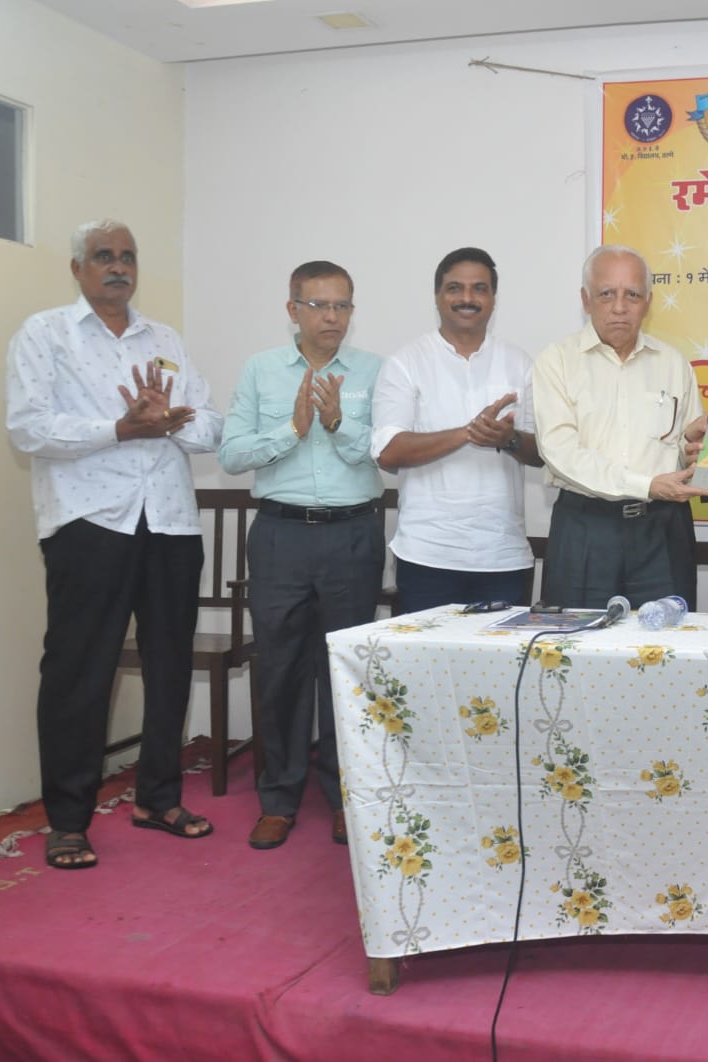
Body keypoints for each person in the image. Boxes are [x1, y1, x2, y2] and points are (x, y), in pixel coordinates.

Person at [6, 219, 223, 869]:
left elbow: (211, 426)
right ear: (78, 268)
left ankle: (158, 798)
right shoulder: (45, 333)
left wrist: (172, 422)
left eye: (127, 256)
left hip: (170, 523)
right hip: (90, 522)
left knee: (169, 666)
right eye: (104, 256)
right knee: (80, 673)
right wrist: (120, 428)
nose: (118, 266)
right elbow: (28, 428)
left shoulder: (166, 340)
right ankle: (69, 821)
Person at [218, 261, 384, 851]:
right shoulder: (261, 370)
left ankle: (345, 798)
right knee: (282, 668)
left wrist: (336, 424)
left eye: (342, 305)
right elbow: (232, 455)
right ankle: (279, 799)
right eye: (319, 305)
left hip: (352, 534)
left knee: (345, 671)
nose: (332, 317)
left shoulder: (374, 371)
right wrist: (292, 430)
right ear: (293, 309)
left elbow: (385, 454)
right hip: (281, 536)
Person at [533, 245, 708, 609]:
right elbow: (560, 452)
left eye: (632, 295)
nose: (619, 307)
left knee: (667, 639)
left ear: (648, 302)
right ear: (586, 300)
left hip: (663, 530)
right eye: (606, 294)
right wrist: (647, 485)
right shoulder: (557, 361)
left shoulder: (674, 363)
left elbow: (682, 453)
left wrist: (692, 449)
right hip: (586, 527)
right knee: (577, 638)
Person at [374, 248, 542, 611]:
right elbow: (388, 451)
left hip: (503, 556)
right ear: (437, 296)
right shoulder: (405, 363)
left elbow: (541, 453)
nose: (467, 298)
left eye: (479, 288)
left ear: (493, 298)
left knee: (504, 651)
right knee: (424, 651)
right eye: (455, 288)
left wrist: (509, 439)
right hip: (427, 555)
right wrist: (467, 433)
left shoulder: (520, 363)